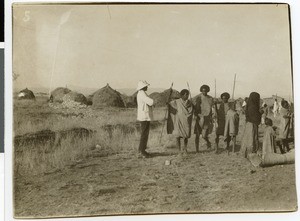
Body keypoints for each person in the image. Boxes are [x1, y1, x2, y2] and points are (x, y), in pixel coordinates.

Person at [168, 89, 193, 154]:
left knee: (186, 135)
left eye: (188, 94)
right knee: (178, 136)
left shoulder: (189, 102)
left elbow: (191, 111)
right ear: (182, 95)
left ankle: (185, 149)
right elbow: (170, 105)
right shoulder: (177, 101)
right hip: (178, 120)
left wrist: (187, 116)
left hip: (186, 121)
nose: (187, 96)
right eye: (185, 95)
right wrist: (168, 100)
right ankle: (178, 150)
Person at [241, 92, 262, 158]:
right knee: (252, 139)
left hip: (249, 124)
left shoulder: (249, 105)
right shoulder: (253, 107)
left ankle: (246, 153)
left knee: (248, 139)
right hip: (252, 124)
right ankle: (251, 154)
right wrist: (260, 113)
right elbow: (255, 117)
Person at [136, 80, 154, 158]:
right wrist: (153, 101)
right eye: (146, 86)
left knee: (144, 134)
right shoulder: (142, 94)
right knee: (144, 134)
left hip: (144, 116)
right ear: (143, 87)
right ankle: (142, 151)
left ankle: (141, 150)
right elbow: (151, 102)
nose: (147, 87)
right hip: (144, 117)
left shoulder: (140, 93)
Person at [194, 84, 214, 152]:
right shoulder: (199, 98)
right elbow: (196, 108)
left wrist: (211, 117)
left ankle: (208, 142)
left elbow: (211, 109)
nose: (204, 92)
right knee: (197, 134)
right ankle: (197, 150)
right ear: (201, 91)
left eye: (205, 91)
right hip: (199, 117)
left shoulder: (210, 98)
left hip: (207, 118)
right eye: (203, 91)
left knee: (204, 135)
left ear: (207, 91)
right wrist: (197, 115)